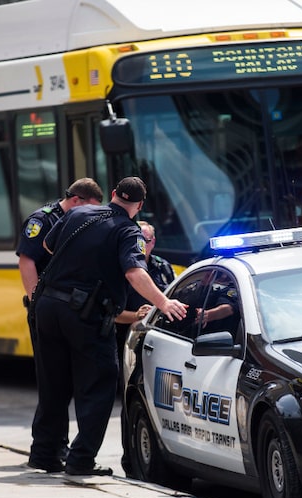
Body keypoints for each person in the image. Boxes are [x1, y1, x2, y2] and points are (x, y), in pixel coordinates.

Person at [29, 176, 188, 476]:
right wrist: (164, 303)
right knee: (99, 383)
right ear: (139, 206)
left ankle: (44, 454)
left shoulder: (77, 213)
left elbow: (48, 247)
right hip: (84, 313)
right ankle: (80, 460)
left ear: (113, 194)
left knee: (53, 382)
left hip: (48, 307)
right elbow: (134, 273)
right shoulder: (129, 231)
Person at [16, 178, 103, 470]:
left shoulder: (76, 220)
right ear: (76, 200)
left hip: (61, 307)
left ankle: (56, 447)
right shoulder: (43, 220)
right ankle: (48, 448)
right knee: (52, 381)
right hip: (45, 307)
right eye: (90, 209)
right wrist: (37, 300)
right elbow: (27, 261)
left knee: (61, 381)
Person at [114, 221, 175, 355]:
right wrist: (136, 316)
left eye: (144, 242)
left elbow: (175, 297)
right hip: (123, 342)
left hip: (159, 339)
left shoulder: (163, 266)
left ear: (153, 242)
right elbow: (110, 314)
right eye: (136, 241)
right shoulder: (117, 270)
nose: (140, 247)